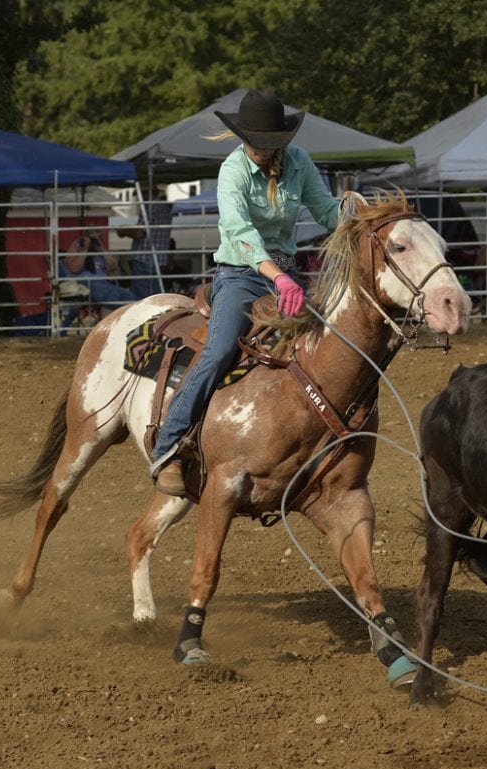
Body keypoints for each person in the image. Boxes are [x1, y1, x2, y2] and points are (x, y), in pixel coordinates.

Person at [148, 89, 342, 497]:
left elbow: (327, 211)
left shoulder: (300, 163)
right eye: (255, 142)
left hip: (285, 276)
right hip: (240, 275)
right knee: (218, 350)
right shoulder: (232, 170)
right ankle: (169, 447)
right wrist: (278, 277)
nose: (261, 150)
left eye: (269, 143)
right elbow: (240, 233)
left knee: (327, 347)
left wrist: (362, 218)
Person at [116, 188, 174, 298]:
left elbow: (139, 233)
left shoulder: (149, 208)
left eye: (141, 193)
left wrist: (123, 231)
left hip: (144, 258)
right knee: (156, 296)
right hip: (160, 259)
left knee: (141, 297)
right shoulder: (166, 209)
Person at [60, 229, 136, 307]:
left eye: (98, 238)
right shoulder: (77, 247)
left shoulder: (99, 251)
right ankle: (107, 318)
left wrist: (101, 247)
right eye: (92, 238)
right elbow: (74, 268)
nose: (94, 241)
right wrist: (85, 248)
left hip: (104, 283)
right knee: (111, 296)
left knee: (129, 296)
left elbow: (113, 266)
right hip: (86, 284)